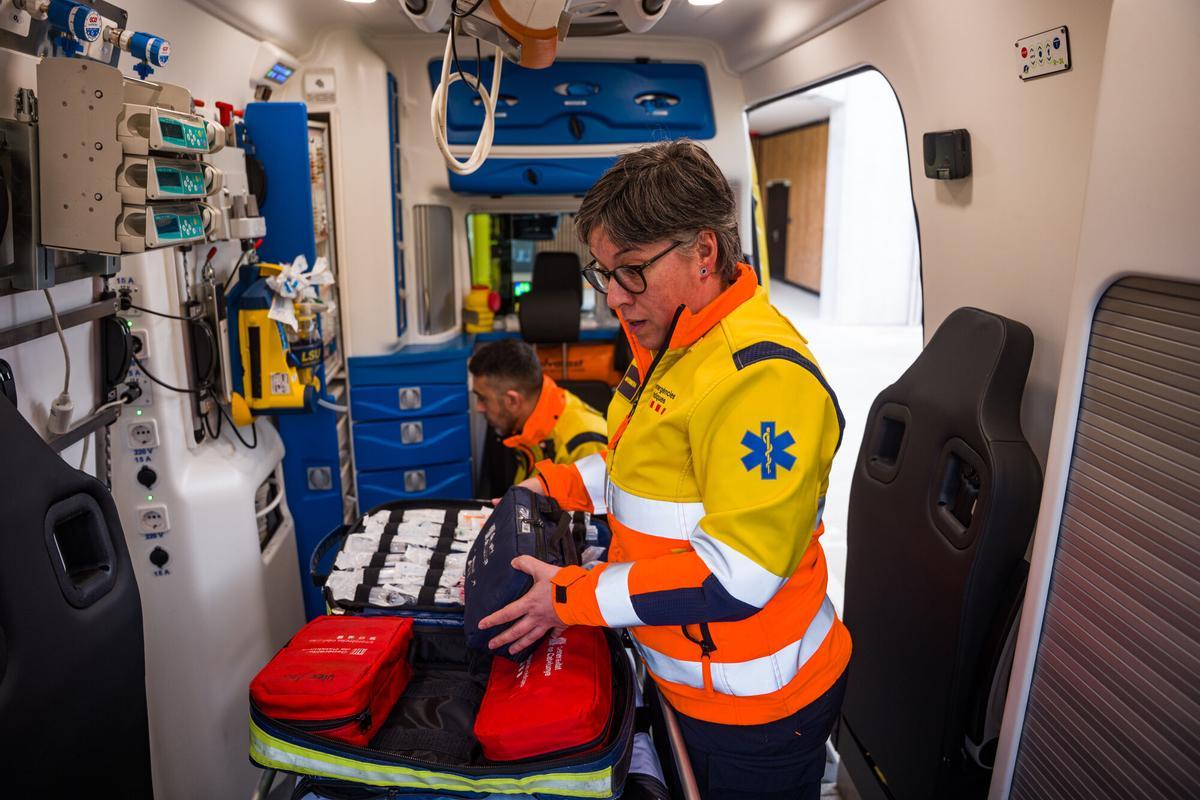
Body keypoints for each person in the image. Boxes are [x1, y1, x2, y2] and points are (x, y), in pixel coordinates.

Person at [477, 140, 851, 800]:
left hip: (758, 711)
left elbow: (738, 577)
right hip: (690, 680)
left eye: (632, 271)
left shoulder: (758, 378)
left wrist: (572, 597)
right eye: (604, 274)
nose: (616, 298)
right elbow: (633, 470)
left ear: (704, 252)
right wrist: (551, 484)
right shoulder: (672, 347)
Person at [469, 339, 608, 485]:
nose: (479, 408)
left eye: (483, 399)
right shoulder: (527, 422)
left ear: (512, 401)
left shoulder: (584, 445)